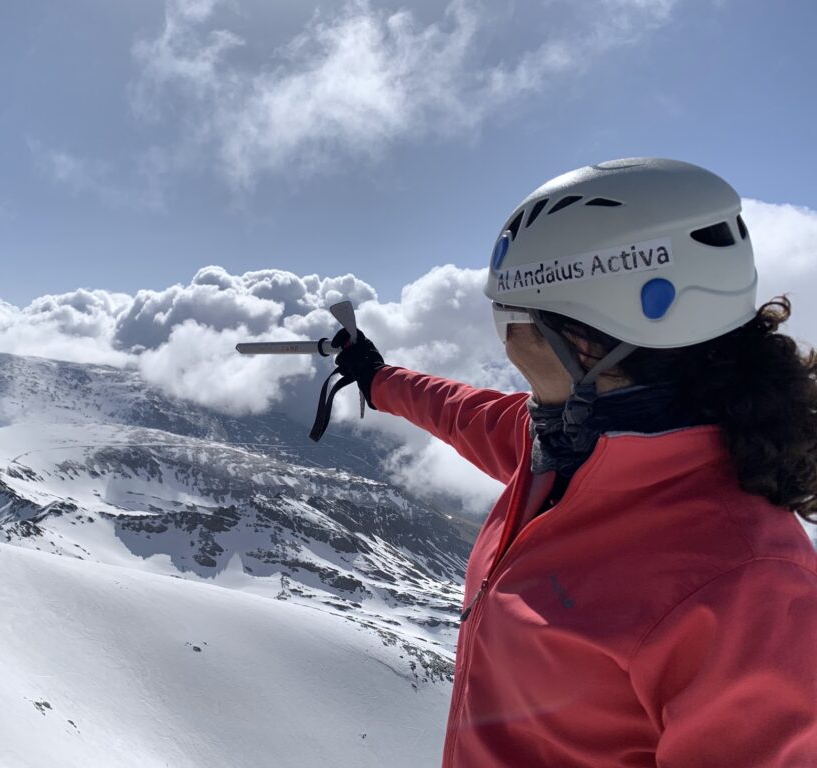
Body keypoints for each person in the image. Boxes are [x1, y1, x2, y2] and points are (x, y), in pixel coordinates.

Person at [333, 158, 817, 767]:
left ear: (587, 344)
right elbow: (458, 410)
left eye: (511, 319)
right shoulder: (565, 448)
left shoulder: (746, 587)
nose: (504, 343)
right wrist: (377, 378)